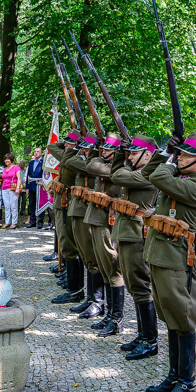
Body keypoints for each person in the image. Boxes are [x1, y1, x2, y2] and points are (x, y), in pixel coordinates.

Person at [142, 131, 196, 392]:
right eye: (180, 153)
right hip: (160, 256)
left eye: (186, 155)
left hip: (176, 259)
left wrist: (170, 160)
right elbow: (150, 172)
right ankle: (173, 375)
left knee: (183, 320)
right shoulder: (181, 177)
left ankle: (187, 382)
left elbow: (158, 177)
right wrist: (165, 153)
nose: (181, 157)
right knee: (171, 318)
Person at [111, 134, 159, 360]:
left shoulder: (148, 174)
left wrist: (120, 156)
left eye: (133, 152)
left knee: (140, 285)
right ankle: (142, 336)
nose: (129, 156)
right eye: (128, 152)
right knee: (133, 284)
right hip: (127, 231)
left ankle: (150, 340)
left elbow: (118, 175)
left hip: (137, 234)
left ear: (148, 155)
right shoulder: (137, 171)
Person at [84, 134, 124, 334]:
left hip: (107, 221)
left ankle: (116, 319)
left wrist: (119, 157)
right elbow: (90, 165)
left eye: (110, 150)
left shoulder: (121, 170)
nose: (104, 152)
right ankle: (109, 314)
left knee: (112, 268)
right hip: (97, 218)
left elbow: (114, 174)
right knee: (104, 267)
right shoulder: (103, 164)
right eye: (104, 149)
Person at [61, 133, 104, 318]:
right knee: (86, 256)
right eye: (83, 146)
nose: (84, 149)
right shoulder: (84, 159)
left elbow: (71, 162)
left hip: (88, 212)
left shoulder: (96, 164)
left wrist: (89, 151)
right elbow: (67, 160)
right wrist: (79, 147)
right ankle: (89, 298)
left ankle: (98, 301)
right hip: (78, 210)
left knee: (93, 257)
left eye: (88, 147)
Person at [47, 132, 84, 304]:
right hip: (62, 203)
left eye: (70, 144)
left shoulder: (73, 158)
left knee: (69, 246)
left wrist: (74, 146)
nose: (66, 146)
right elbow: (52, 146)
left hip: (67, 204)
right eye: (66, 143)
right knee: (65, 243)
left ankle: (75, 290)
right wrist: (71, 141)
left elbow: (54, 148)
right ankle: (72, 286)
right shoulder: (68, 154)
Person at [0, 152, 21, 229]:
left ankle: (14, 222)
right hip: (4, 188)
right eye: (5, 159)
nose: (6, 161)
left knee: (13, 205)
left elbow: (19, 178)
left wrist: (18, 188)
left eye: (8, 159)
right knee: (7, 206)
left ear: (11, 160)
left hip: (13, 188)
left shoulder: (16, 167)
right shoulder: (4, 169)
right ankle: (7, 222)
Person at [25, 148, 45, 229]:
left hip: (40, 185)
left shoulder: (43, 162)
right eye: (35, 152)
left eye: (38, 152)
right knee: (32, 204)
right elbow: (28, 175)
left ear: (41, 153)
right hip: (32, 185)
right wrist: (27, 187)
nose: (36, 153)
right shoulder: (31, 162)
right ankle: (33, 221)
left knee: (40, 203)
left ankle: (40, 221)